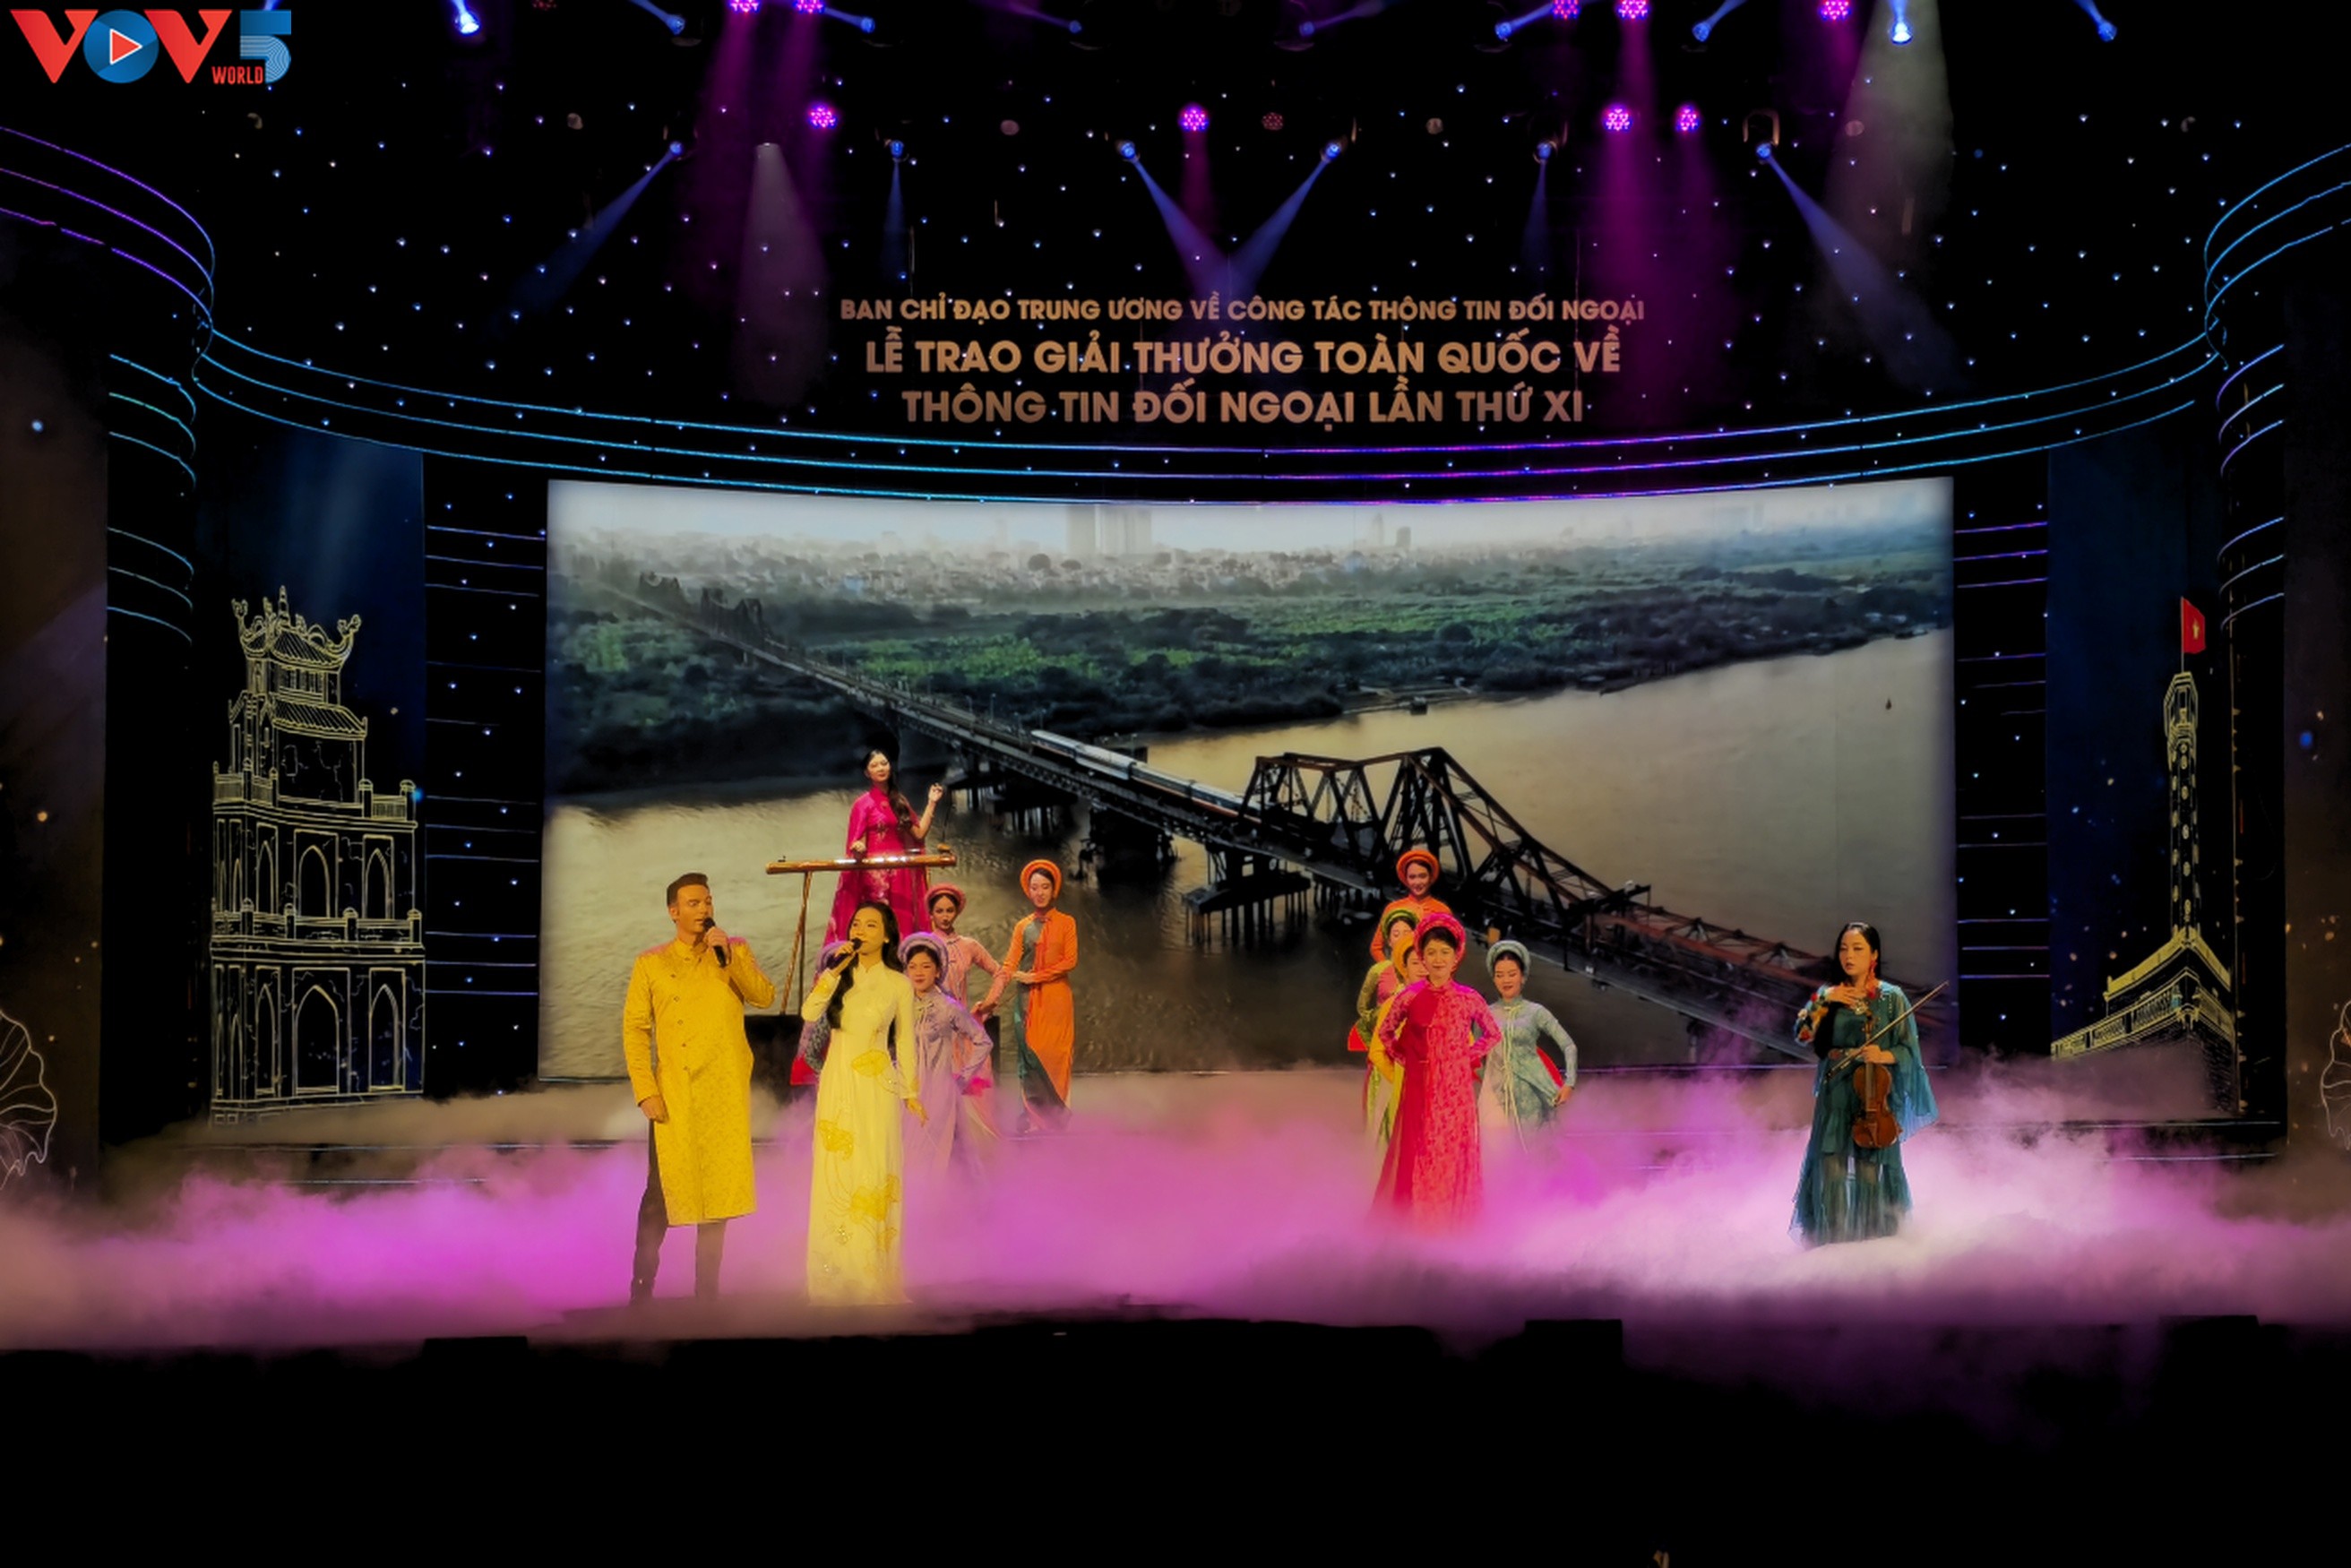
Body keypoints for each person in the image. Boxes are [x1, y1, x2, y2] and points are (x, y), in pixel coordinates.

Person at [622, 872, 776, 1303]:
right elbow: (635, 1030)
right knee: (661, 1194)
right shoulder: (651, 962)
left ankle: (707, 1294)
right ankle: (641, 1289)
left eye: (707, 901)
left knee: (718, 1196)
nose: (704, 909)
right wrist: (646, 1090)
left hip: (722, 1092)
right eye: (693, 903)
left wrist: (730, 958)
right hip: (675, 1094)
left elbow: (764, 996)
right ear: (673, 911)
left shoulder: (733, 950)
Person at [803, 900, 925, 1305]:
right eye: (857, 924)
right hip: (838, 1083)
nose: (861, 930)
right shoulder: (838, 975)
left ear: (887, 936)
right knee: (837, 1174)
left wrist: (910, 1092)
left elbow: (904, 1042)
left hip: (877, 1087)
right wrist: (833, 971)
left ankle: (875, 1275)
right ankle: (834, 1277)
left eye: (871, 925)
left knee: (873, 1171)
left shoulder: (899, 984)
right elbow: (809, 1012)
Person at [1789, 922, 1937, 1246]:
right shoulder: (1829, 994)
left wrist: (1883, 1054)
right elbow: (1802, 1034)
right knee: (1831, 1167)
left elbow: (1909, 1050)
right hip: (1836, 1091)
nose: (1849, 955)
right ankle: (1831, 1244)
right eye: (1844, 948)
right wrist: (1823, 999)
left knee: (1870, 1172)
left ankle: (1871, 1247)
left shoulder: (1892, 998)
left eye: (1858, 949)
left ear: (1874, 956)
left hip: (1873, 1092)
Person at [1374, 913, 1501, 1228]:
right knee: (1423, 1154)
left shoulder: (1469, 998)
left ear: (1456, 956)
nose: (1438, 959)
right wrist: (1406, 1058)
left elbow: (1493, 1034)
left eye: (1445, 952)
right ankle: (1423, 1224)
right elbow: (1386, 1033)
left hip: (1457, 1095)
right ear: (1422, 956)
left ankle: (1454, 1223)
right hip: (1422, 1089)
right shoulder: (1410, 996)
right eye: (1431, 953)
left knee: (1451, 1155)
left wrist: (1466, 1057)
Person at [978, 858, 1079, 1132]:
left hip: (1057, 1000)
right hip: (1027, 1002)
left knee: (1057, 1056)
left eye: (1045, 887)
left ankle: (1057, 1117)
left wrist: (1035, 977)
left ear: (1054, 889)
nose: (1040, 892)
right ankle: (1034, 1117)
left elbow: (1070, 961)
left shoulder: (1067, 923)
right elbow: (1009, 965)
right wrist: (991, 1000)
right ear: (1028, 890)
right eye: (1035, 887)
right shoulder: (1023, 927)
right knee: (1029, 1058)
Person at [823, 748, 946, 945]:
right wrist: (858, 847)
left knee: (902, 925)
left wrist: (931, 803)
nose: (881, 768)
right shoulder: (863, 804)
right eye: (874, 765)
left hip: (901, 873)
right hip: (875, 876)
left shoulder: (899, 801)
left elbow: (919, 834)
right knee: (878, 927)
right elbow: (858, 842)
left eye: (884, 763)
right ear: (867, 773)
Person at [900, 930, 997, 1175]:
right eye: (912, 967)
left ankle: (942, 1196)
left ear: (938, 971)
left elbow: (983, 1041)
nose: (918, 972)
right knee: (905, 1155)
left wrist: (962, 1079)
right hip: (905, 1091)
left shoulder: (947, 1007)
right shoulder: (900, 1006)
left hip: (938, 1091)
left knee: (936, 1155)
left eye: (926, 966)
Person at [1481, 941, 1575, 1154]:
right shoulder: (1485, 1014)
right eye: (1500, 975)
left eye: (1512, 974)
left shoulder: (1535, 1012)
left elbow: (1568, 1045)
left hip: (1532, 1094)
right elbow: (1477, 1058)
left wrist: (1569, 1083)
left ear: (1522, 977)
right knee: (1499, 1154)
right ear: (1494, 978)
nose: (1506, 980)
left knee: (1535, 1153)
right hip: (1495, 1096)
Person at [1353, 908, 1421, 1148]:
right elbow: (1362, 1007)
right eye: (1396, 933)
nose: (1401, 937)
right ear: (1388, 939)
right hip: (1386, 1048)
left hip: (1415, 1054)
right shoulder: (1379, 970)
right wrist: (1379, 1020)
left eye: (1407, 932)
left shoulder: (1423, 971)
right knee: (1382, 1110)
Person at [926, 883, 1001, 1011]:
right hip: (933, 1018)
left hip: (962, 1018)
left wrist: (989, 1002)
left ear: (957, 912)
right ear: (931, 914)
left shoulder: (968, 945)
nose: (945, 917)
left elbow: (1000, 973)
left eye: (950, 911)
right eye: (939, 911)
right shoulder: (925, 946)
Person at [1370, 847, 1453, 959]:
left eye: (1422, 876)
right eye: (1412, 877)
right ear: (1406, 879)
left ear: (1431, 878)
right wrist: (1390, 967)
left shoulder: (1443, 911)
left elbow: (1453, 951)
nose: (1417, 882)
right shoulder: (1393, 908)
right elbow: (1376, 947)